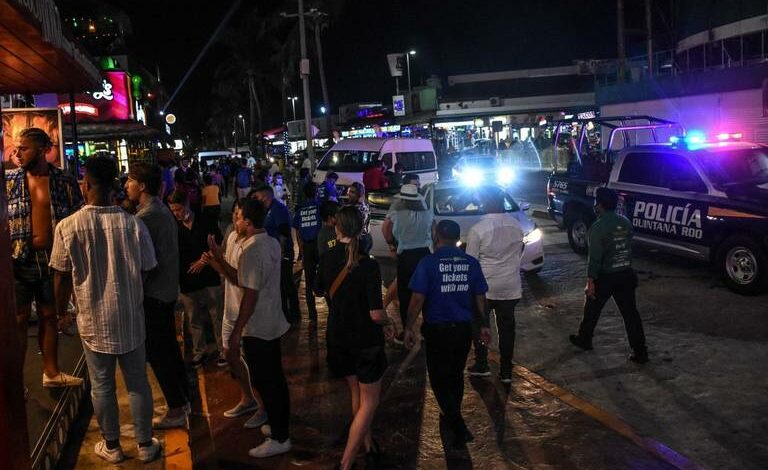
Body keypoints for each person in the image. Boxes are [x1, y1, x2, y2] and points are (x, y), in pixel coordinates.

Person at [50, 157, 161, 463]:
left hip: (92, 319)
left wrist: (61, 313)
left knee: (102, 385)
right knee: (137, 382)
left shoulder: (67, 227)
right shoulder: (133, 224)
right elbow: (148, 267)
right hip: (130, 316)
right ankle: (145, 445)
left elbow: (60, 276)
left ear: (85, 184)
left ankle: (112, 447)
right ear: (114, 184)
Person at [204, 199, 293, 458]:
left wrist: (236, 331)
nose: (235, 220)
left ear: (249, 222)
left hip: (258, 327)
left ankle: (280, 438)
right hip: (272, 322)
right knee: (274, 379)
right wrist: (220, 259)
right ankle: (277, 426)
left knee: (267, 382)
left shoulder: (253, 251)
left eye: (238, 217)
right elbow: (244, 280)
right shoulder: (271, 242)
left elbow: (249, 294)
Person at [317, 206, 395, 469]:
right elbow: (376, 314)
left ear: (336, 227)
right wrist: (390, 322)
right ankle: (346, 463)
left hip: (338, 337)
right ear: (363, 228)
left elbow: (318, 290)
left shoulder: (327, 257)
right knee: (369, 401)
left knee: (357, 394)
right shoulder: (368, 265)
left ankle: (368, 445)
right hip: (365, 342)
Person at [6, 127, 84, 388]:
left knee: (49, 315)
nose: (17, 153)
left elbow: (77, 216)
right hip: (20, 258)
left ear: (42, 150)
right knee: (18, 319)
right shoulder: (9, 180)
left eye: (24, 148)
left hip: (53, 258)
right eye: (16, 148)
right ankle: (16, 382)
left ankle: (51, 372)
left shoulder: (64, 180)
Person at [404, 220, 490, 447]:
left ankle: (456, 421)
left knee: (438, 377)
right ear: (457, 238)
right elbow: (480, 297)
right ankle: (452, 412)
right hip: (463, 330)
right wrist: (484, 325)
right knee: (455, 373)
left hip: (437, 331)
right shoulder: (471, 263)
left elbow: (417, 298)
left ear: (437, 236)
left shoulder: (428, 263)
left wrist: (408, 326)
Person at [124, 164, 190, 429]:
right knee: (169, 350)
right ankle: (182, 400)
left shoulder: (147, 217)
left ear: (141, 186)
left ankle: (176, 407)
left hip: (154, 294)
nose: (126, 186)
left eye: (130, 181)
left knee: (159, 353)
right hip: (166, 291)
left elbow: (145, 263)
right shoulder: (160, 210)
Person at [569, 188, 649, 363]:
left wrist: (591, 281)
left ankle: (585, 339)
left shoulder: (597, 228)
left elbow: (595, 258)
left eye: (596, 202)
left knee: (591, 310)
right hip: (626, 274)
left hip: (606, 276)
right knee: (631, 315)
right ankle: (640, 351)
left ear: (600, 205)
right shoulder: (625, 222)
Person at [465, 190, 524, 383]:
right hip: (510, 286)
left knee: (480, 325)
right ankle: (506, 370)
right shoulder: (516, 225)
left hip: (485, 288)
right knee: (507, 329)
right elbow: (520, 251)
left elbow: (471, 262)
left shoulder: (478, 229)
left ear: (485, 203)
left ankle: (482, 364)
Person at [168, 190, 225, 367]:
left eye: (179, 209)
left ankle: (222, 349)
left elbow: (219, 244)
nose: (177, 214)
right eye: (173, 210)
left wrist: (204, 260)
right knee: (193, 318)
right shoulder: (173, 226)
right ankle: (199, 351)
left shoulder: (205, 220)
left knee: (216, 315)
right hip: (187, 279)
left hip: (209, 276)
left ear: (187, 204)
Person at [381, 183, 433, 341]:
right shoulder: (427, 212)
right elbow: (434, 232)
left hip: (406, 256)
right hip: (424, 254)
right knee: (426, 293)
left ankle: (407, 330)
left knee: (405, 294)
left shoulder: (396, 210)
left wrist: (391, 245)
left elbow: (386, 229)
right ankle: (428, 330)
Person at [252, 185, 301, 323]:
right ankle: (283, 314)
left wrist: (281, 253)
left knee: (286, 284)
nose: (257, 200)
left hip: (281, 253)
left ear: (266, 196)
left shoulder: (278, 209)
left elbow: (284, 232)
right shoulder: (267, 210)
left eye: (258, 197)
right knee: (280, 285)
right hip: (274, 252)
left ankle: (292, 315)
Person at [292, 182, 322, 321]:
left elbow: (297, 231)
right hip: (319, 246)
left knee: (309, 282)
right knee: (326, 277)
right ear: (316, 193)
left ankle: (312, 316)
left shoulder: (300, 210)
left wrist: (301, 249)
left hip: (307, 247)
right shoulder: (319, 207)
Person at [345, 182, 372, 254]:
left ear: (359, 194)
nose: (349, 194)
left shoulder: (358, 208)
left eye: (352, 192)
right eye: (349, 191)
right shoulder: (363, 205)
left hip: (360, 240)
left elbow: (354, 228)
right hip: (365, 238)